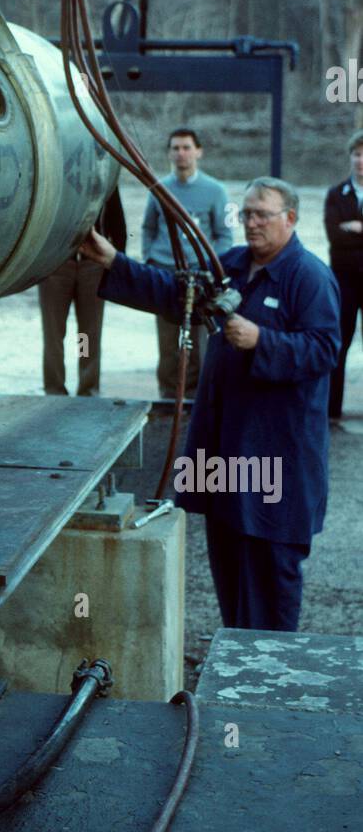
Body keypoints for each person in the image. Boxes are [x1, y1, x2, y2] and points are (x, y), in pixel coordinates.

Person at [81, 177, 340, 633]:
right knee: (230, 569)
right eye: (246, 214)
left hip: (278, 461)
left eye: (263, 214)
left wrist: (264, 340)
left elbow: (323, 350)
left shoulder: (310, 278)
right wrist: (114, 261)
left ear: (291, 219)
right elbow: (175, 293)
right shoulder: (234, 266)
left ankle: (267, 682)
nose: (252, 223)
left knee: (270, 579)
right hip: (227, 453)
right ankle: (234, 674)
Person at [141, 128, 233, 398]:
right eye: (175, 148)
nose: (181, 154)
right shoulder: (160, 189)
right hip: (166, 272)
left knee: (197, 340)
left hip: (199, 276)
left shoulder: (215, 190)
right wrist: (149, 257)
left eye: (186, 147)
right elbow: (147, 227)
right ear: (169, 153)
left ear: (198, 151)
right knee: (168, 339)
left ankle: (195, 397)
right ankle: (169, 396)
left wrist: (210, 265)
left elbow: (225, 235)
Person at [38, 187, 126, 396]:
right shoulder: (57, 174)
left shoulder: (103, 176)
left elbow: (117, 222)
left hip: (92, 266)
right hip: (56, 265)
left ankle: (87, 388)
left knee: (86, 334)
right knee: (54, 333)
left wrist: (115, 268)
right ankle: (54, 389)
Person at [324, 129, 363, 421]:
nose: (361, 160)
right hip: (344, 282)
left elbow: (345, 234)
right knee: (339, 342)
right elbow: (334, 237)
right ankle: (331, 409)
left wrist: (355, 228)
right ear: (350, 157)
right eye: (357, 154)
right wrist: (346, 232)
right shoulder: (336, 194)